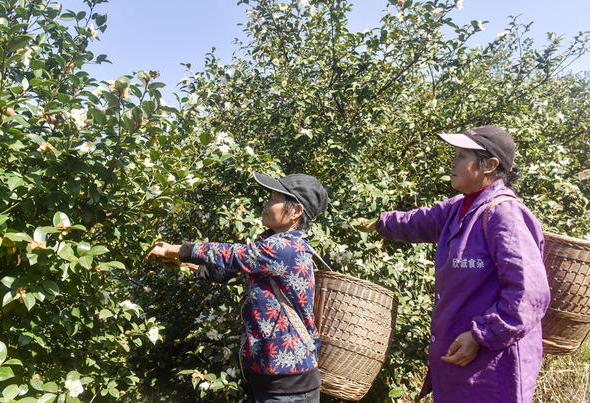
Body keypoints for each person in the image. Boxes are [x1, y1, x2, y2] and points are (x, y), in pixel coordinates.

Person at [358, 125, 550, 402]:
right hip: (460, 364)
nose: (453, 161)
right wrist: (380, 223)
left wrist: (482, 335)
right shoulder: (461, 207)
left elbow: (529, 294)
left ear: (490, 165)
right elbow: (419, 221)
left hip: (492, 369)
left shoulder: (504, 214)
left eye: (462, 155)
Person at [146, 172, 328, 403]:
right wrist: (181, 261)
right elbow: (228, 270)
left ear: (295, 212)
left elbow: (234, 255)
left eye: (274, 200)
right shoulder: (274, 249)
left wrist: (178, 249)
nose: (266, 204)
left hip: (287, 387)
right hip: (271, 380)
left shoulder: (285, 248)